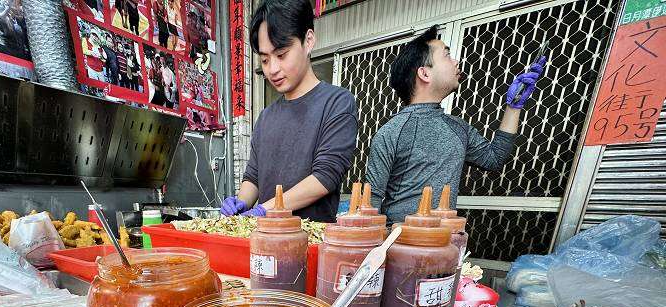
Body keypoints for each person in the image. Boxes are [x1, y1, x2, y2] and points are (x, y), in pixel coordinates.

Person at [365, 25, 546, 225]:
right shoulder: (391, 132)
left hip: (444, 243)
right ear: (424, 74)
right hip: (399, 244)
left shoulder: (459, 128)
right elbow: (370, 200)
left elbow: (494, 158)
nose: (456, 61)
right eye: (447, 55)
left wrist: (514, 106)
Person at [221, 0, 357, 222]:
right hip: (265, 241)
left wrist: (265, 210)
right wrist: (241, 203)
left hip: (309, 243)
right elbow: (253, 177)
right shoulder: (266, 117)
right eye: (265, 59)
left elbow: (325, 177)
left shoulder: (337, 103)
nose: (273, 69)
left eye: (281, 54)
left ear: (308, 41)